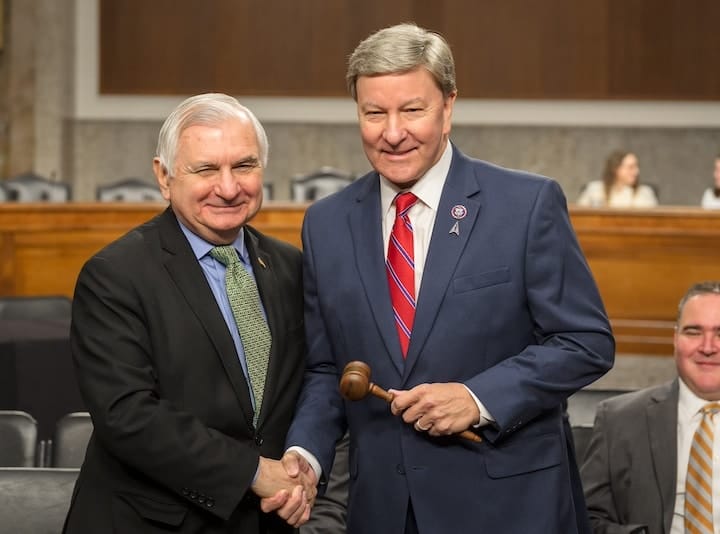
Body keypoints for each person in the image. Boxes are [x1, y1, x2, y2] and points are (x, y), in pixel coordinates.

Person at [278, 23, 615, 534]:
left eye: (412, 110)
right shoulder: (326, 223)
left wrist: (478, 399)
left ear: (449, 106)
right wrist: (306, 452)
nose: (393, 133)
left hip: (511, 509)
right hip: (384, 512)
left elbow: (585, 342)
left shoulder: (525, 205)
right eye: (374, 113)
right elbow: (329, 368)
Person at [64, 93, 315, 533]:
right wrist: (253, 472)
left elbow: (309, 382)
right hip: (149, 523)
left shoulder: (290, 266)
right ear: (164, 176)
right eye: (205, 169)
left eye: (244, 166)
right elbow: (128, 415)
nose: (229, 187)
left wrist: (303, 465)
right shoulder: (115, 275)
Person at [581, 280, 720, 534]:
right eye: (693, 332)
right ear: (675, 339)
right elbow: (584, 519)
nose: (708, 347)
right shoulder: (619, 420)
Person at [577, 150, 658, 208]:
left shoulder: (645, 193)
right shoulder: (594, 190)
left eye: (637, 167)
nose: (637, 172)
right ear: (616, 169)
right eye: (631, 167)